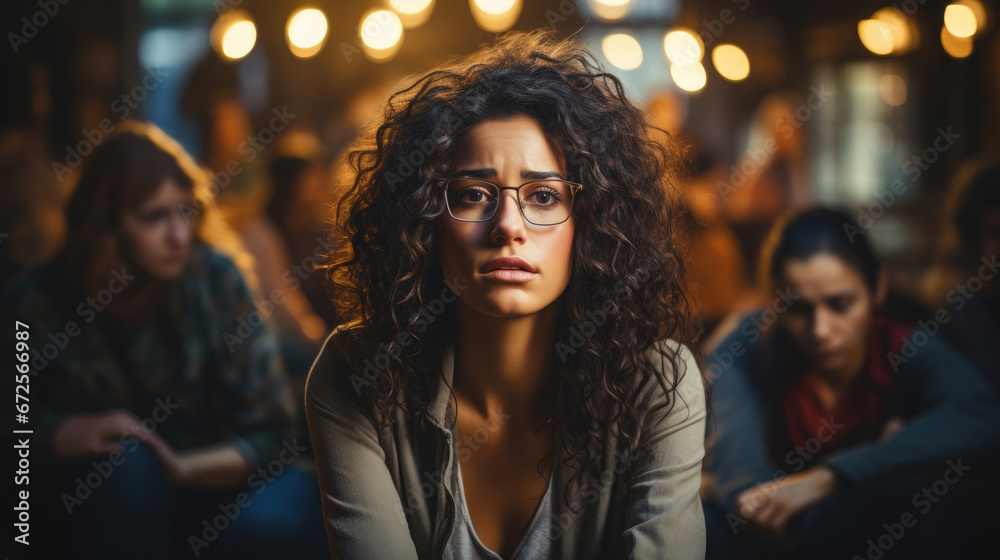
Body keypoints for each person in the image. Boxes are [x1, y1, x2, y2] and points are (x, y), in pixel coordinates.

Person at [305, 30, 708, 559]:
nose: (508, 226)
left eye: (543, 196)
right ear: (424, 220)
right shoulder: (356, 372)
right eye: (473, 194)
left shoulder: (658, 384)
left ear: (592, 223)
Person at [2, 121, 327, 559]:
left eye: (185, 211)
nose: (178, 235)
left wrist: (183, 468)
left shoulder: (214, 279)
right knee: (127, 470)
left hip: (222, 488)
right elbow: (13, 428)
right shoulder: (34, 302)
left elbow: (272, 427)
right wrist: (60, 433)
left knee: (303, 504)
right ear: (105, 225)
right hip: (102, 508)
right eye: (155, 216)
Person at [701, 207, 1000, 560]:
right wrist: (896, 461)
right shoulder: (741, 349)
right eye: (798, 309)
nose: (820, 331)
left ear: (878, 288)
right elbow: (749, 496)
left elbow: (983, 414)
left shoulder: (905, 346)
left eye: (840, 304)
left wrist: (835, 477)